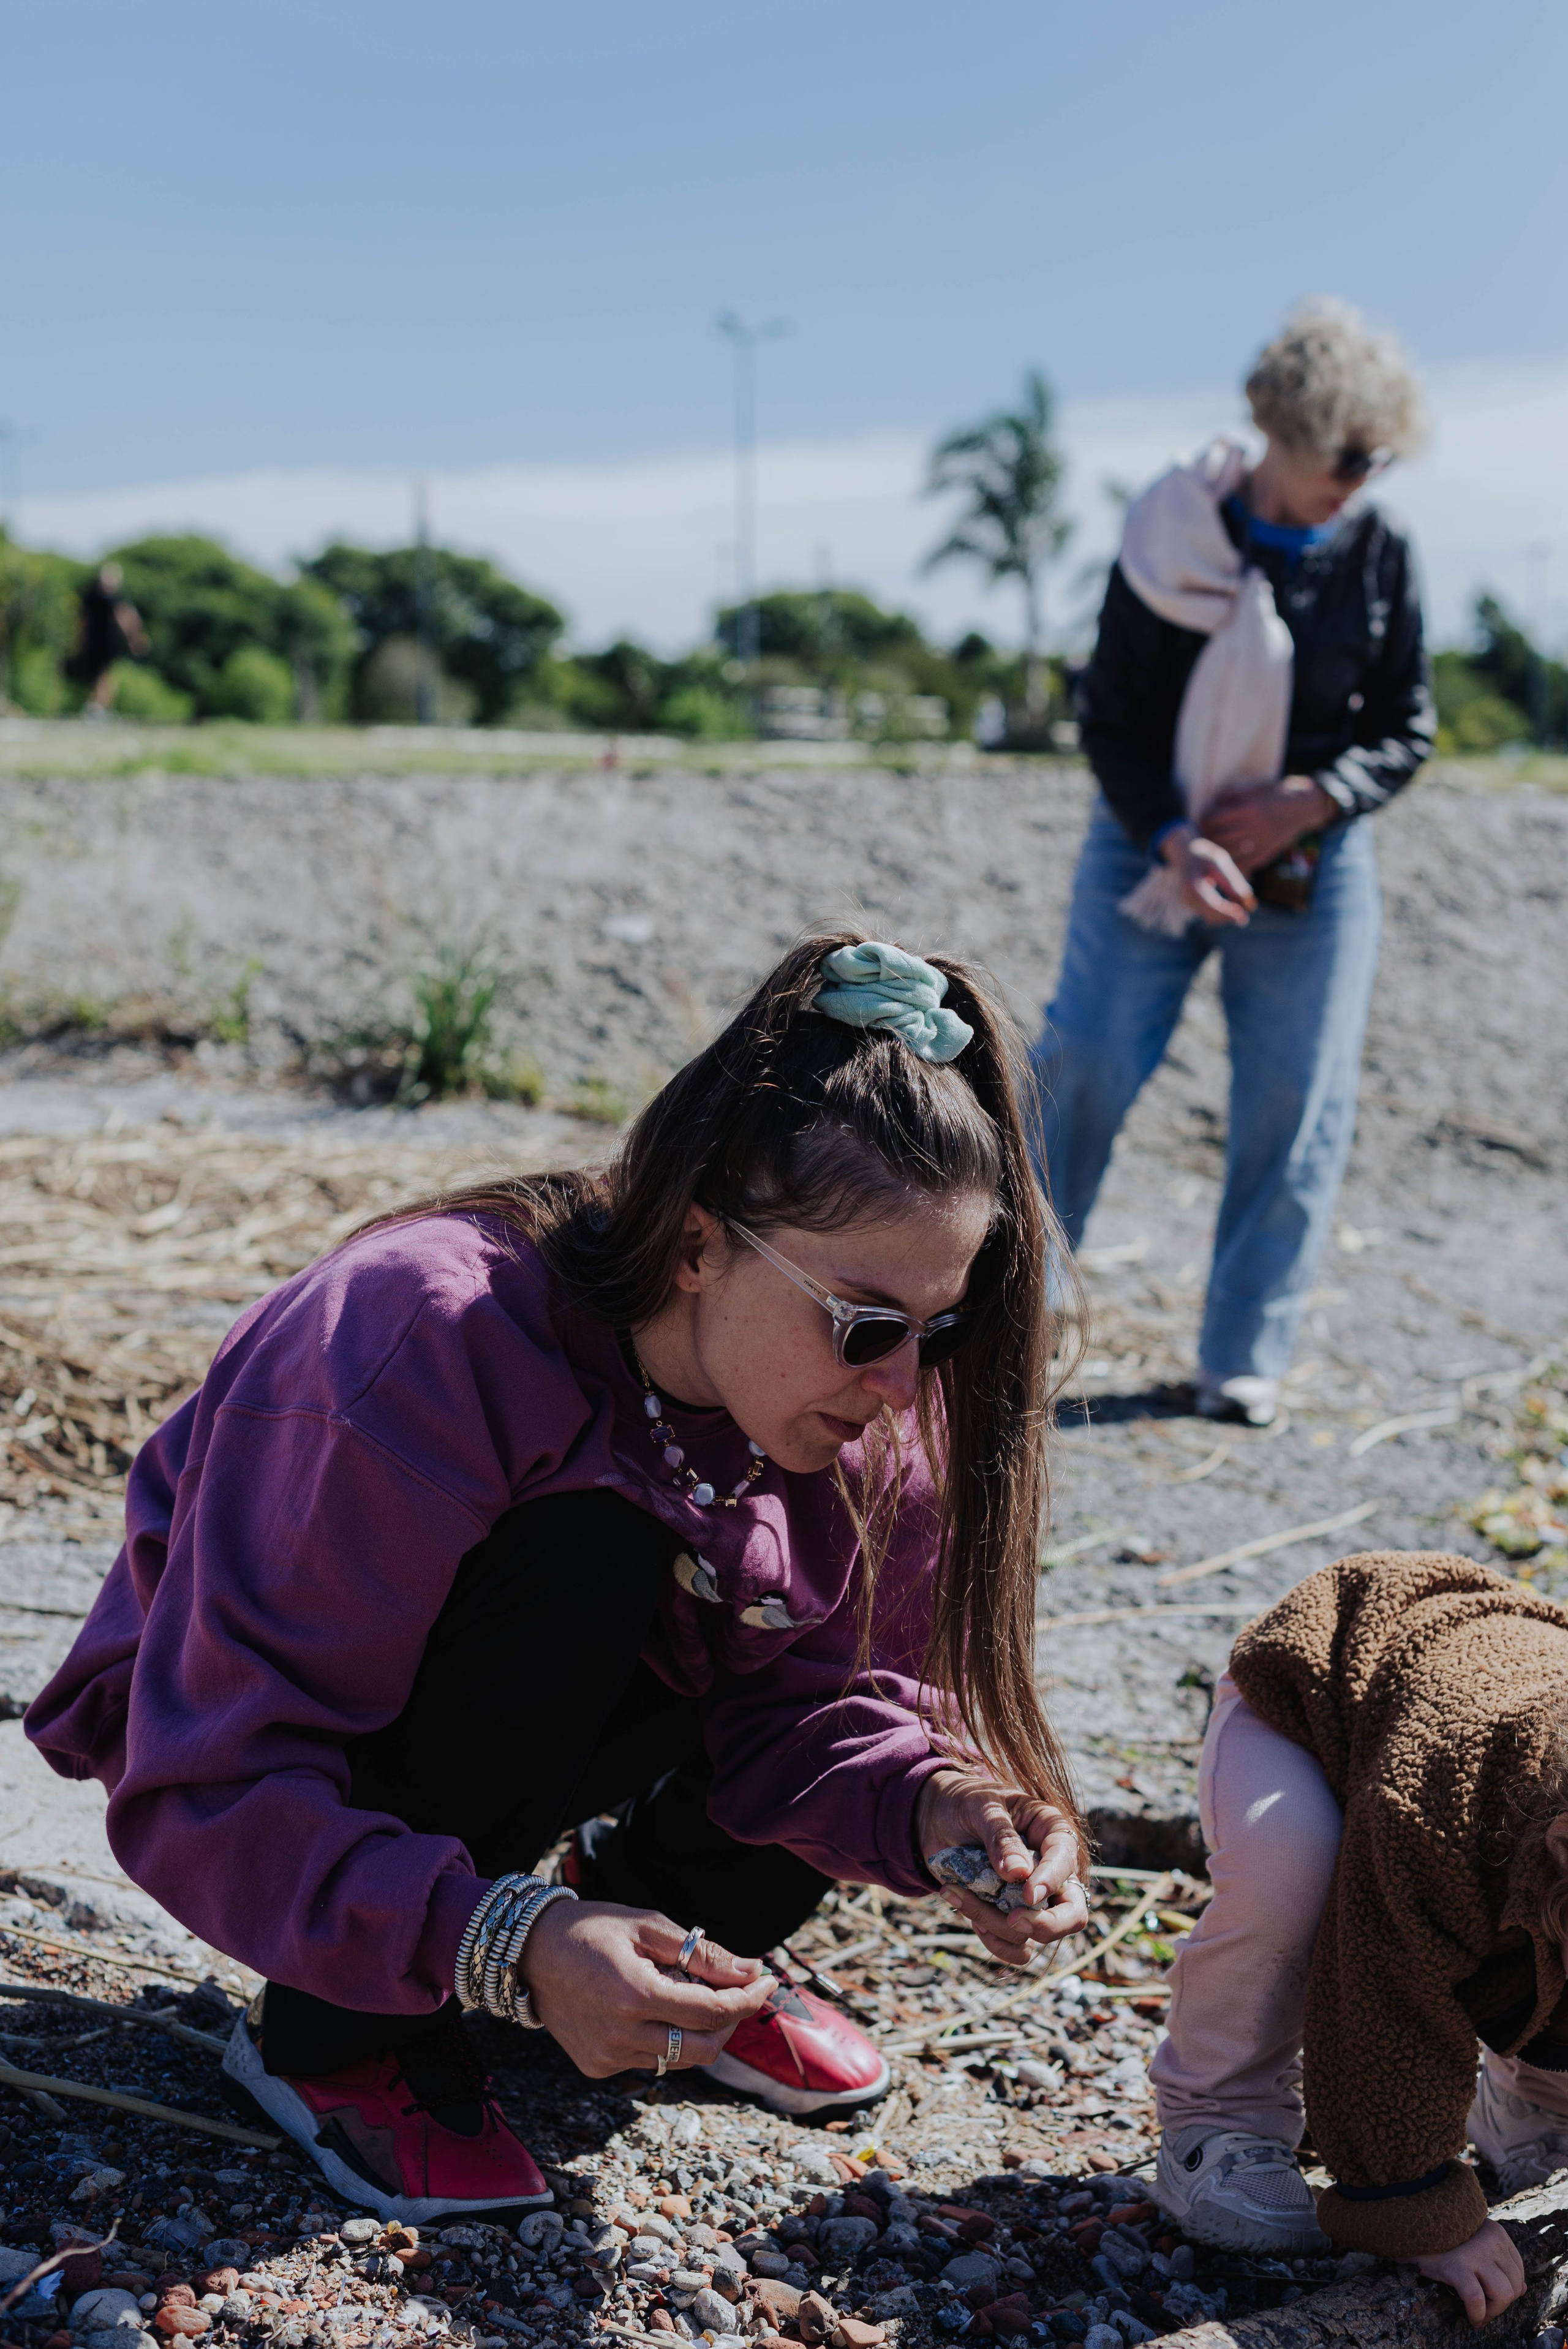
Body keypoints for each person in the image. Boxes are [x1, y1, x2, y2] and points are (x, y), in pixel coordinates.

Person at [26, 934, 1092, 2227]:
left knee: (734, 1601)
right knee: (590, 1550)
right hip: (296, 1746)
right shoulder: (417, 1337)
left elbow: (816, 1707)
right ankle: (339, 2027)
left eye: (946, 1326)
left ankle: (669, 1951)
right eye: (866, 1324)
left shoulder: (871, 1399)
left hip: (546, 1723)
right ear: (698, 1242)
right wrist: (501, 1944)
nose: (902, 1382)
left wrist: (938, 1809)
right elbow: (220, 1776)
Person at [1032, 302, 1434, 1425]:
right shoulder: (1169, 532)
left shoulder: (1380, 550)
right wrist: (1177, 836)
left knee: (1298, 1097)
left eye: (1380, 454)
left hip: (1310, 864)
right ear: (1279, 432)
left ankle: (1241, 1351)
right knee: (1089, 1056)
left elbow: (1408, 726)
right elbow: (1107, 718)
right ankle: (1013, 1321)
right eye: (1346, 454)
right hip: (1152, 837)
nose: (1362, 477)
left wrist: (1317, 797)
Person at [1148, 1552, 1568, 2328]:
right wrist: (1415, 2204)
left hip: (1476, 1744)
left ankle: (1534, 2101)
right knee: (1295, 1866)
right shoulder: (1433, 1815)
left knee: (1529, 1927)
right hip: (1311, 1701)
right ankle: (1216, 2114)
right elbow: (1378, 1994)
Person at [72, 560, 150, 714]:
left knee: (104, 673)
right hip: (94, 639)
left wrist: (135, 639)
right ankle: (98, 705)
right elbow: (83, 619)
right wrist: (80, 640)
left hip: (109, 640)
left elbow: (128, 617)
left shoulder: (117, 597)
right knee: (95, 673)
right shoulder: (92, 595)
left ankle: (102, 706)